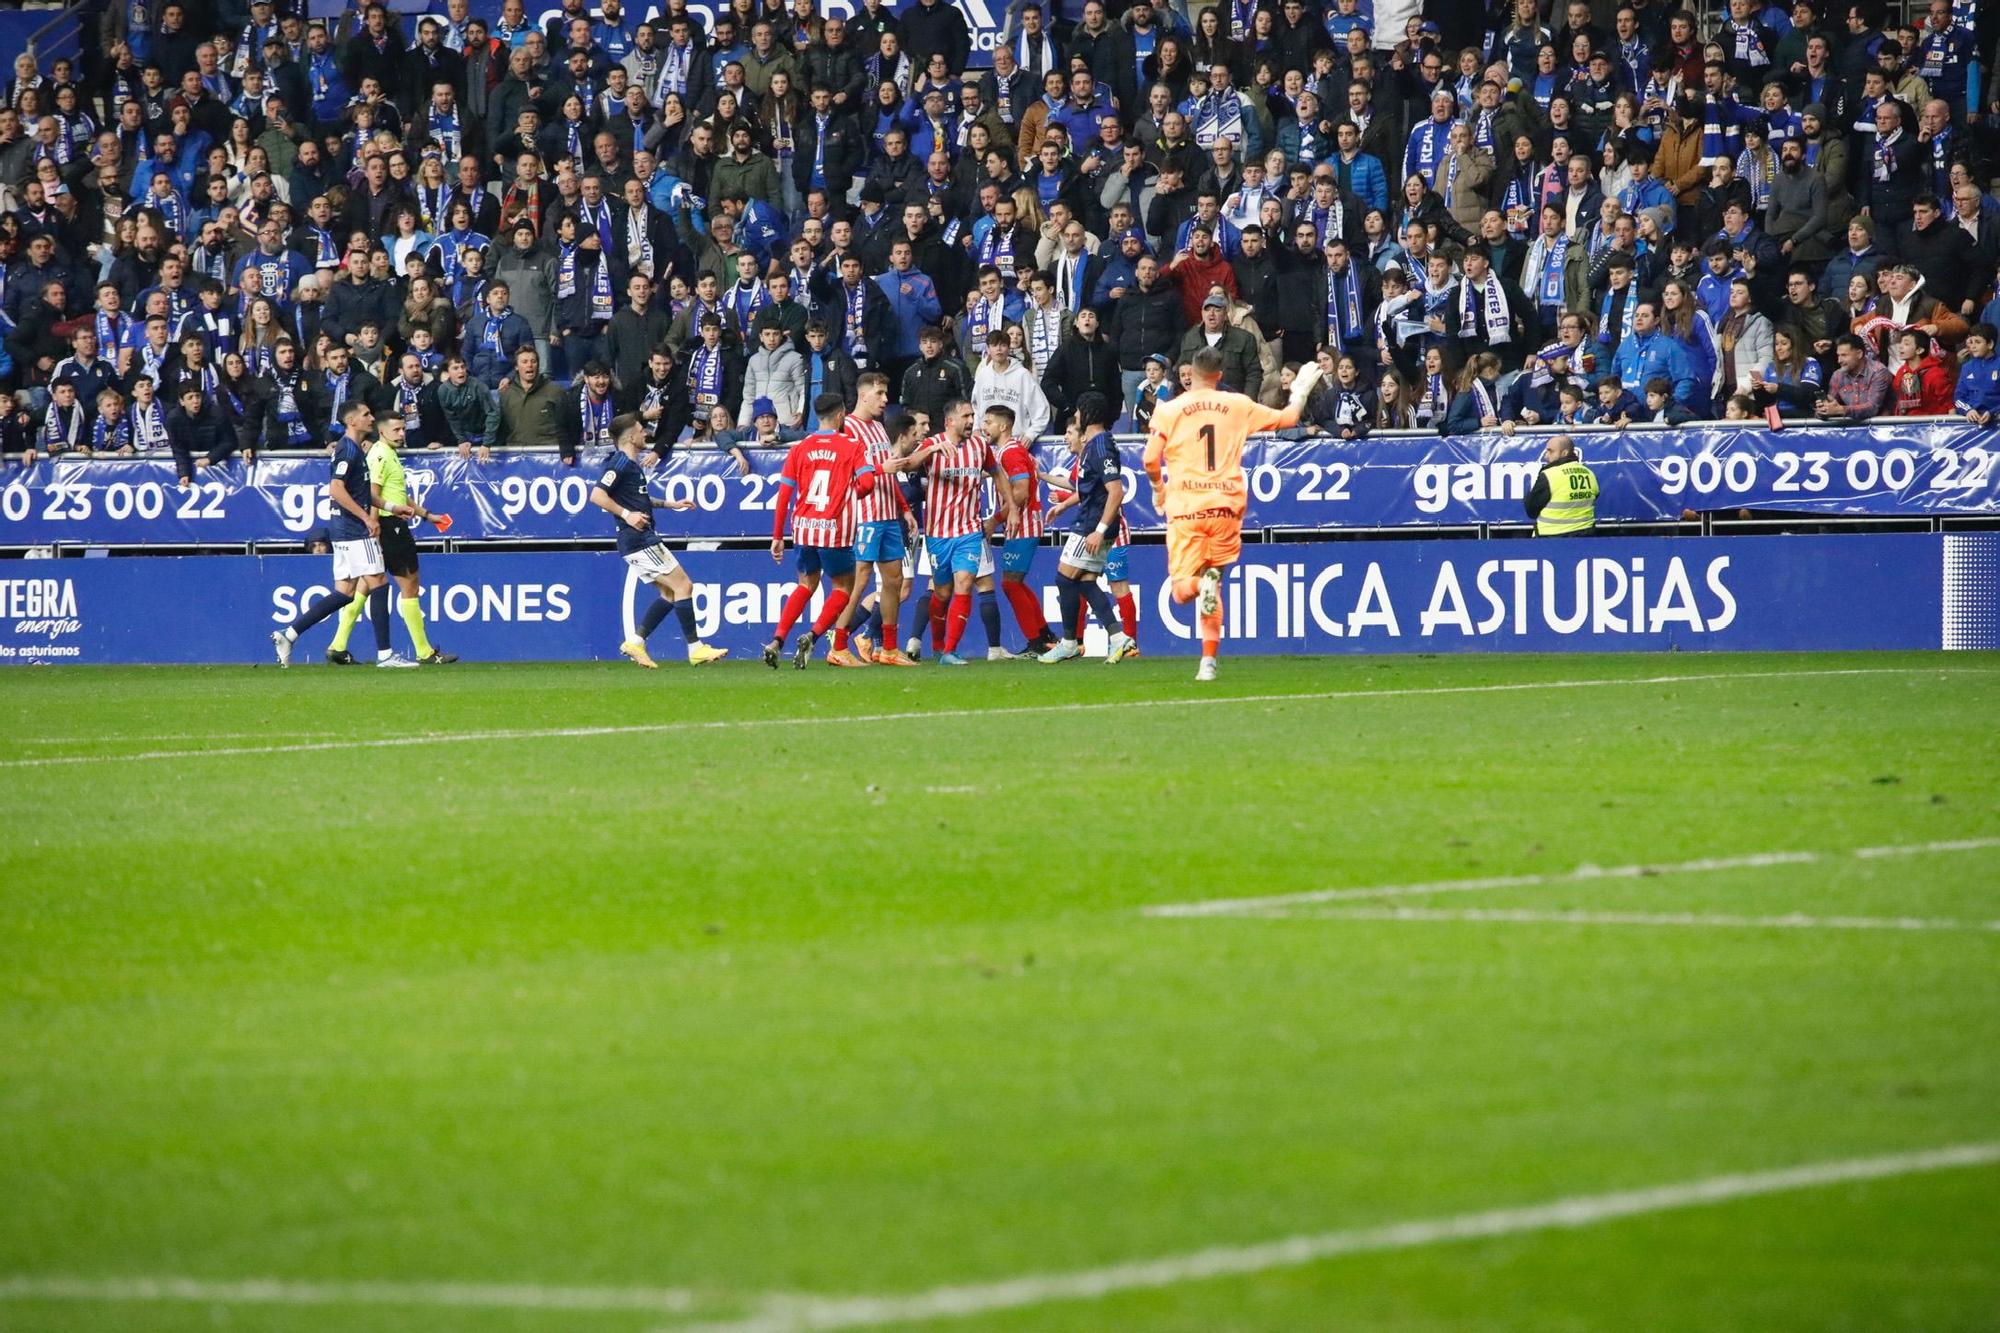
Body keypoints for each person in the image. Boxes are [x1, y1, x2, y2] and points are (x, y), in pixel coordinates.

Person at [1142, 345, 1316, 682]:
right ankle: (1208, 663)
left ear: (1190, 373)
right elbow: (1289, 420)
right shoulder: (1237, 405)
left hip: (1187, 506)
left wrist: (1157, 490)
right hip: (1227, 504)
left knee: (1182, 589)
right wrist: (1299, 393)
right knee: (1214, 583)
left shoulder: (1170, 409)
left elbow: (1150, 459)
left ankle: (1198, 587)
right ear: (1220, 376)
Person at [269, 401, 416, 669]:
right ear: (352, 421)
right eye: (366, 414)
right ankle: (385, 655)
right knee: (380, 582)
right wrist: (366, 518)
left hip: (342, 530)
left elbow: (362, 492)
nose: (371, 418)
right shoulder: (348, 449)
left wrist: (393, 507)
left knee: (345, 591)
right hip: (354, 529)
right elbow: (336, 490)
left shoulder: (355, 450)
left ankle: (288, 635)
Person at [588, 411, 730, 668]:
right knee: (684, 586)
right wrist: (627, 515)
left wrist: (670, 504)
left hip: (636, 539)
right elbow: (597, 495)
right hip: (639, 539)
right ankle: (695, 648)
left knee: (670, 593)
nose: (645, 433)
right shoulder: (619, 462)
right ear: (631, 436)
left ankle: (636, 641)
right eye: (641, 430)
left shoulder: (630, 466)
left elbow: (637, 499)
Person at [324, 412, 458, 666]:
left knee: (365, 586)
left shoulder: (386, 454)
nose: (401, 434)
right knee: (410, 584)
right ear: (383, 432)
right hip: (388, 525)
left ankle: (338, 645)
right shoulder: (380, 455)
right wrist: (372, 525)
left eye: (403, 429)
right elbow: (370, 493)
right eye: (396, 429)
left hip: (386, 522)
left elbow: (395, 494)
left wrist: (427, 515)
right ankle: (424, 651)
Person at [764, 392, 880, 669]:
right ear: (841, 416)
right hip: (834, 530)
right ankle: (813, 636)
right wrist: (851, 492)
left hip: (803, 528)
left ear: (818, 416)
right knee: (842, 587)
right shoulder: (852, 446)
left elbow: (783, 495)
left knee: (805, 585)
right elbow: (868, 482)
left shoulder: (799, 448)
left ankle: (777, 640)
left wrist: (778, 536)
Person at [900, 396, 1016, 666]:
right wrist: (930, 452)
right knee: (941, 593)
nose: (971, 421)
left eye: (972, 416)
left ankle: (950, 650)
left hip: (969, 531)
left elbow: (997, 473)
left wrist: (1011, 506)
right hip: (938, 534)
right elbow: (907, 465)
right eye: (965, 416)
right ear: (949, 421)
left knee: (964, 582)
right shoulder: (931, 444)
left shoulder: (979, 445)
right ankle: (939, 646)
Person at [1036, 391, 1136, 666]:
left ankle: (1069, 642)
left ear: (1089, 414)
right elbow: (1087, 487)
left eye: (1079, 411)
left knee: (1063, 579)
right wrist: (1061, 502)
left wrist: (1100, 529)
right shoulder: (1093, 445)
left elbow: (1116, 491)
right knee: (1085, 581)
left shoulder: (1101, 445)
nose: (1076, 415)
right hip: (1091, 521)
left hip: (1092, 524)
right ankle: (1118, 637)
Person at [836, 371, 917, 666]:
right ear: (863, 394)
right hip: (865, 516)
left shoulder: (881, 429)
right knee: (858, 582)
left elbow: (890, 473)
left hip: (888, 515)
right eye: (880, 393)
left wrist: (904, 509)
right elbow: (845, 475)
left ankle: (889, 649)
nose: (886, 399)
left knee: (894, 580)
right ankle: (839, 645)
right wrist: (882, 468)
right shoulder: (848, 428)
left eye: (886, 393)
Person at [986, 402, 1055, 657]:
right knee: (1015, 582)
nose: (985, 427)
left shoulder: (1010, 452)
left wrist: (995, 519)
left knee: (1011, 584)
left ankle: (1037, 642)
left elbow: (1021, 491)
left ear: (1003, 426)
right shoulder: (1010, 450)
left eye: (989, 422)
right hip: (1025, 522)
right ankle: (1044, 636)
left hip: (1023, 523)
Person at [1524, 433, 1598, 535]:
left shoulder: (1549, 475)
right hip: (1585, 535)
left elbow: (1531, 509)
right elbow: (1595, 496)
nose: (1546, 456)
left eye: (1550, 451)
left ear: (1564, 453)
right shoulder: (1589, 473)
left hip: (1552, 537)